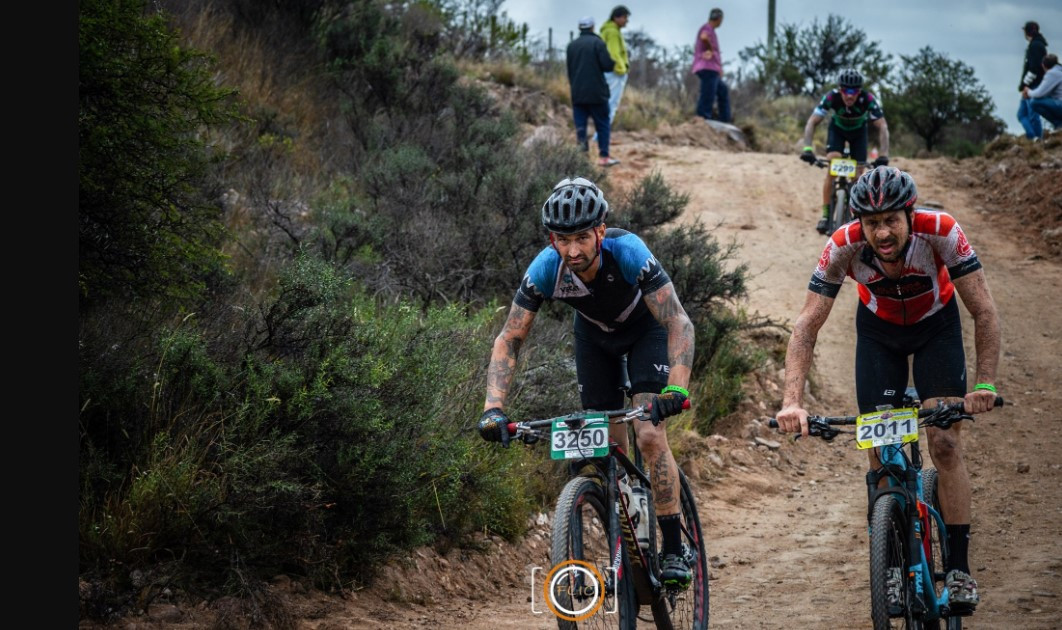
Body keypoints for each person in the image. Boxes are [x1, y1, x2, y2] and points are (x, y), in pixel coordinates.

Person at [774, 166, 1002, 612]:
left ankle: (958, 569)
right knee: (880, 447)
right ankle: (892, 568)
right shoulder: (843, 245)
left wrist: (985, 383)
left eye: (891, 220)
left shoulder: (942, 231)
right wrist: (791, 402)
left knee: (944, 441)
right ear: (859, 221)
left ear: (909, 215)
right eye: (871, 222)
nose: (881, 232)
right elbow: (805, 327)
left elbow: (984, 311)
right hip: (879, 335)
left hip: (936, 329)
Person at [478, 176, 696, 588]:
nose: (573, 250)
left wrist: (676, 389)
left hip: (645, 331)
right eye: (563, 239)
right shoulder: (546, 267)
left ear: (599, 231)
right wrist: (493, 408)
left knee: (649, 435)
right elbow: (509, 338)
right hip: (594, 338)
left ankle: (671, 547)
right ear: (551, 239)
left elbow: (677, 321)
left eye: (582, 237)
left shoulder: (628, 251)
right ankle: (624, 543)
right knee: (604, 449)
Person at [799, 68, 890, 234]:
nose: (850, 95)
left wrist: (884, 154)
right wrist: (807, 148)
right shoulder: (831, 97)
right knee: (832, 165)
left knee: (857, 176)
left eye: (854, 91)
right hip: (838, 131)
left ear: (859, 91)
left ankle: (853, 210)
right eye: (846, 91)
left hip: (859, 133)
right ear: (840, 90)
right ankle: (826, 216)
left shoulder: (867, 99)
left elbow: (882, 125)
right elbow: (812, 121)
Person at [567, 16, 619, 167]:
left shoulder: (571, 46)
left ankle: (582, 159)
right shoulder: (598, 43)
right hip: (597, 94)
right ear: (592, 27)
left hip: (577, 93)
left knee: (581, 127)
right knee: (602, 125)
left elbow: (570, 70)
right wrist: (614, 60)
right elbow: (608, 66)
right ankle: (603, 157)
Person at [593, 5, 631, 144]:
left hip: (608, 72)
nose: (627, 21)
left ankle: (600, 136)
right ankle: (600, 138)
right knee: (611, 105)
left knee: (606, 104)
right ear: (617, 17)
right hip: (615, 73)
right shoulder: (613, 32)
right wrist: (621, 68)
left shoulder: (607, 30)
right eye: (625, 17)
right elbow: (613, 53)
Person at [691, 8, 731, 123]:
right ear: (719, 19)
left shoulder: (711, 30)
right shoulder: (707, 28)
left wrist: (719, 68)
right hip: (707, 67)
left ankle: (725, 120)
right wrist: (709, 48)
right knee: (708, 93)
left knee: (722, 90)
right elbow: (704, 37)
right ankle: (703, 118)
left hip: (712, 68)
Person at [1017, 21, 1049, 140]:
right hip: (1034, 84)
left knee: (1032, 115)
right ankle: (1033, 137)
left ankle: (1036, 139)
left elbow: (1034, 69)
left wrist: (1025, 85)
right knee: (1022, 114)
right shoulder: (1038, 45)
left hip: (1033, 85)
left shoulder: (1035, 46)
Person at [1023, 53, 1062, 132]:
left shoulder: (1052, 73)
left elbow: (1039, 93)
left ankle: (1058, 124)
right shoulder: (1059, 71)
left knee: (1034, 102)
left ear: (1043, 65)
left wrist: (1028, 92)